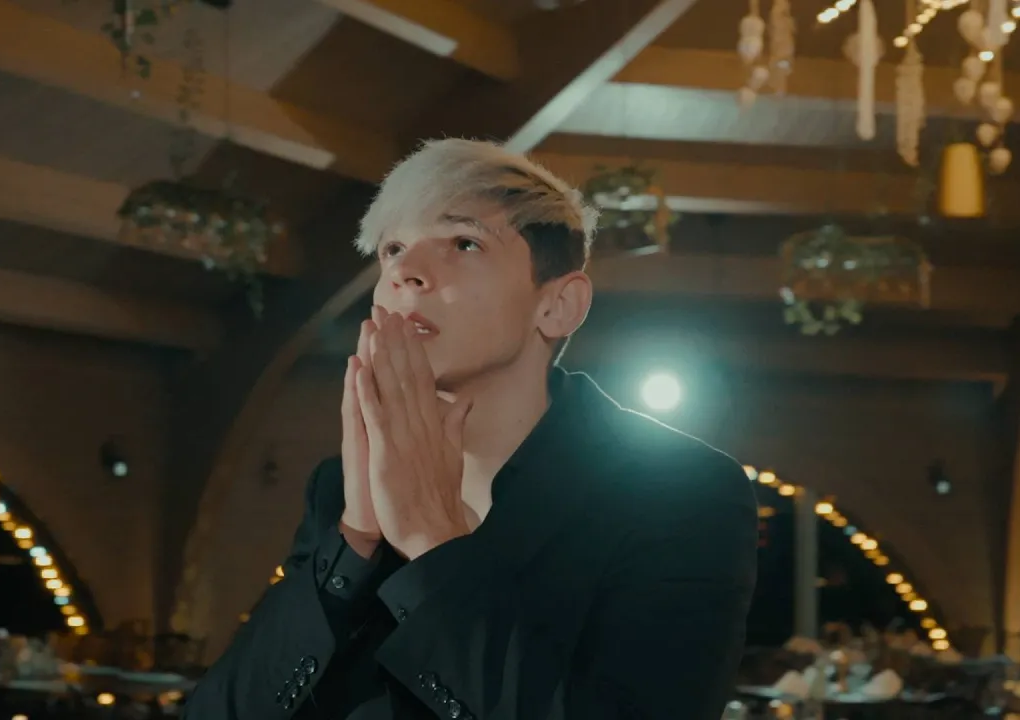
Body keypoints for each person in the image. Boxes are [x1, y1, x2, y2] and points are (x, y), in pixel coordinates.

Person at [184, 139, 758, 720]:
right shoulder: (340, 489)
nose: (405, 272)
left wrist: (433, 544)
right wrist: (354, 539)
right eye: (393, 249)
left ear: (558, 305)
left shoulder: (682, 492)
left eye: (464, 242)